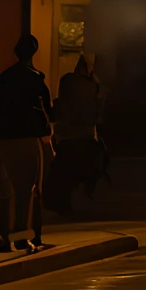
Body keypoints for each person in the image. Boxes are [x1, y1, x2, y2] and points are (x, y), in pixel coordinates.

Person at [0, 33, 52, 252]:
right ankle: (24, 238)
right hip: (27, 140)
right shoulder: (36, 79)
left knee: (4, 192)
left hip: (4, 140)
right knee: (28, 191)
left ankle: (4, 238)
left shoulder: (3, 78)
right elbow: (46, 113)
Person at [48, 55, 106, 213]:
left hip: (67, 136)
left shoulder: (68, 81)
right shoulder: (94, 86)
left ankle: (63, 205)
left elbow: (61, 107)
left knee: (65, 175)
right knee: (80, 171)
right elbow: (97, 110)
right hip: (84, 136)